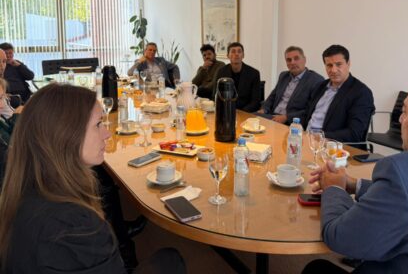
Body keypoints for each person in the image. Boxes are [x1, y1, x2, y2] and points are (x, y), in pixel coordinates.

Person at [0, 83, 186, 273]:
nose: (107, 133)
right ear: (66, 134)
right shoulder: (75, 225)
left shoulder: (24, 187)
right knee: (171, 260)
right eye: (98, 124)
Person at [303, 73, 408, 274]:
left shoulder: (401, 173)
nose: (400, 119)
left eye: (405, 112)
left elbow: (340, 238)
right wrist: (352, 184)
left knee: (315, 269)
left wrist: (333, 188)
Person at [304, 45, 374, 146]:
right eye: (329, 65)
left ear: (348, 64)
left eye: (338, 64)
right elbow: (307, 115)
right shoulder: (320, 86)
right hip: (306, 140)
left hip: (332, 147)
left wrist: (320, 137)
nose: (333, 70)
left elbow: (355, 133)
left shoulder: (361, 93)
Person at [258, 46, 324, 124]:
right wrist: (264, 109)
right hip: (272, 116)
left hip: (292, 122)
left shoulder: (316, 80)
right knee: (249, 120)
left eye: (296, 58)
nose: (292, 62)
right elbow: (272, 96)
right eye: (289, 60)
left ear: (304, 60)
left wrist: (287, 117)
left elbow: (311, 110)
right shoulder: (283, 76)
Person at [214, 42, 261, 112]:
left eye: (239, 51)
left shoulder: (254, 73)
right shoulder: (221, 72)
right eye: (233, 51)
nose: (236, 54)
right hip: (226, 111)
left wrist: (241, 112)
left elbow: (255, 102)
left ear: (243, 55)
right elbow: (216, 95)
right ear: (228, 55)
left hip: (246, 112)